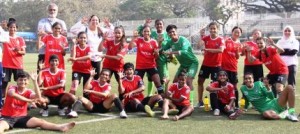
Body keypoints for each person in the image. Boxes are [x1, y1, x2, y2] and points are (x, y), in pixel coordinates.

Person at [0, 71, 75, 133]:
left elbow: (39, 98)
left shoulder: (28, 91)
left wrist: (35, 81)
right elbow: (12, 94)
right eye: (20, 80)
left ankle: (61, 127)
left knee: (41, 122)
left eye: (25, 80)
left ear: (28, 82)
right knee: (1, 126)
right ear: (17, 81)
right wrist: (29, 100)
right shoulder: (12, 87)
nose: (23, 82)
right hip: (8, 117)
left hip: (22, 117)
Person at [160, 24, 199, 105]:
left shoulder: (183, 40)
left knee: (188, 81)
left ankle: (190, 102)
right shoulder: (170, 42)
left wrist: (171, 52)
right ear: (168, 34)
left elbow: (184, 51)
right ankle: (175, 100)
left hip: (192, 63)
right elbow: (162, 50)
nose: (172, 33)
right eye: (169, 32)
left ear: (176, 31)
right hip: (183, 65)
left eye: (173, 31)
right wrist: (160, 45)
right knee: (175, 81)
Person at [70, 15, 114, 80]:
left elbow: (113, 33)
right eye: (93, 20)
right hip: (86, 58)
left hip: (97, 58)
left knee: (95, 79)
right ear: (89, 21)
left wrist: (109, 25)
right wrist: (81, 22)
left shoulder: (101, 30)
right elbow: (72, 30)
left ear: (99, 22)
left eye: (96, 20)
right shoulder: (84, 29)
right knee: (87, 79)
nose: (95, 21)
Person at [136, 19, 173, 96]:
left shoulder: (167, 34)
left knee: (162, 79)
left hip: (162, 59)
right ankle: (149, 95)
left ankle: (162, 96)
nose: (159, 25)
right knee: (150, 78)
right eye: (157, 24)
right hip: (151, 59)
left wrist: (170, 55)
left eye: (160, 24)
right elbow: (140, 31)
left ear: (163, 25)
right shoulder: (151, 33)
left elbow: (171, 45)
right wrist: (145, 23)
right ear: (155, 25)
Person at [129, 25, 164, 95]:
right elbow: (130, 47)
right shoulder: (139, 40)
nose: (146, 33)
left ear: (150, 32)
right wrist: (133, 38)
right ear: (142, 32)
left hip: (151, 65)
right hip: (140, 66)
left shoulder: (154, 42)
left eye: (148, 31)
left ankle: (162, 99)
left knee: (157, 82)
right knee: (136, 84)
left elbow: (156, 57)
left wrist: (157, 53)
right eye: (144, 31)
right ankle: (135, 100)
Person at [197, 22, 225, 107]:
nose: (212, 30)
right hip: (206, 64)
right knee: (200, 81)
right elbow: (199, 46)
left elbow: (221, 50)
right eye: (211, 28)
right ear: (209, 29)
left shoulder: (221, 39)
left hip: (216, 66)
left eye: (214, 28)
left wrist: (207, 50)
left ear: (217, 29)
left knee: (215, 84)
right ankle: (200, 101)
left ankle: (216, 103)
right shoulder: (206, 38)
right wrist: (201, 36)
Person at [36, 3, 67, 72]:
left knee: (58, 74)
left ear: (57, 11)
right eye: (50, 10)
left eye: (54, 10)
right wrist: (54, 33)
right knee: (41, 74)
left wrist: (47, 32)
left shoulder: (61, 22)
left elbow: (64, 34)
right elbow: (40, 32)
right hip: (43, 52)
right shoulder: (42, 21)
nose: (52, 11)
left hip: (57, 53)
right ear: (47, 11)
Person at [1, 18, 26, 98]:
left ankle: (20, 99)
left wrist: (18, 51)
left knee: (21, 83)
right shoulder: (5, 38)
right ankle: (2, 101)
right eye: (11, 27)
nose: (13, 29)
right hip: (6, 65)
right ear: (8, 28)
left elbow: (24, 52)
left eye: (14, 27)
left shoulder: (20, 39)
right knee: (3, 84)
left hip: (17, 65)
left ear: (17, 28)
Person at [221, 26, 242, 108]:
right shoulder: (226, 40)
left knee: (234, 86)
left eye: (239, 32)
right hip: (224, 68)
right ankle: (223, 103)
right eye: (235, 32)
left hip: (233, 68)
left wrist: (237, 52)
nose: (237, 33)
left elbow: (237, 57)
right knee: (223, 85)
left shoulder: (240, 44)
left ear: (240, 34)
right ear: (232, 32)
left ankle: (236, 104)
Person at [68, 32, 92, 96]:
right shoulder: (75, 47)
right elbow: (73, 58)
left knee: (86, 90)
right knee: (74, 86)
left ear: (87, 39)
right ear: (78, 39)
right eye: (81, 38)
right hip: (77, 70)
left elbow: (88, 57)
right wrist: (74, 45)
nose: (83, 39)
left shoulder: (89, 47)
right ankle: (69, 102)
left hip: (87, 71)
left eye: (84, 38)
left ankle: (86, 103)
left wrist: (76, 59)